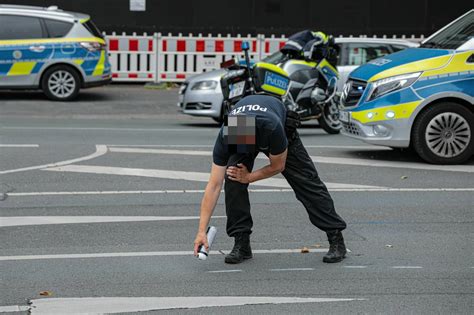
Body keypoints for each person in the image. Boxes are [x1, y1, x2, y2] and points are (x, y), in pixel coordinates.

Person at [193, 92, 348, 264]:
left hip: (275, 128)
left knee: (307, 182)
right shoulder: (227, 134)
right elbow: (214, 185)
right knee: (233, 177)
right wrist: (201, 231)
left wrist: (249, 177)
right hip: (244, 124)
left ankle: (336, 238)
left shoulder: (272, 128)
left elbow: (277, 166)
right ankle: (241, 243)